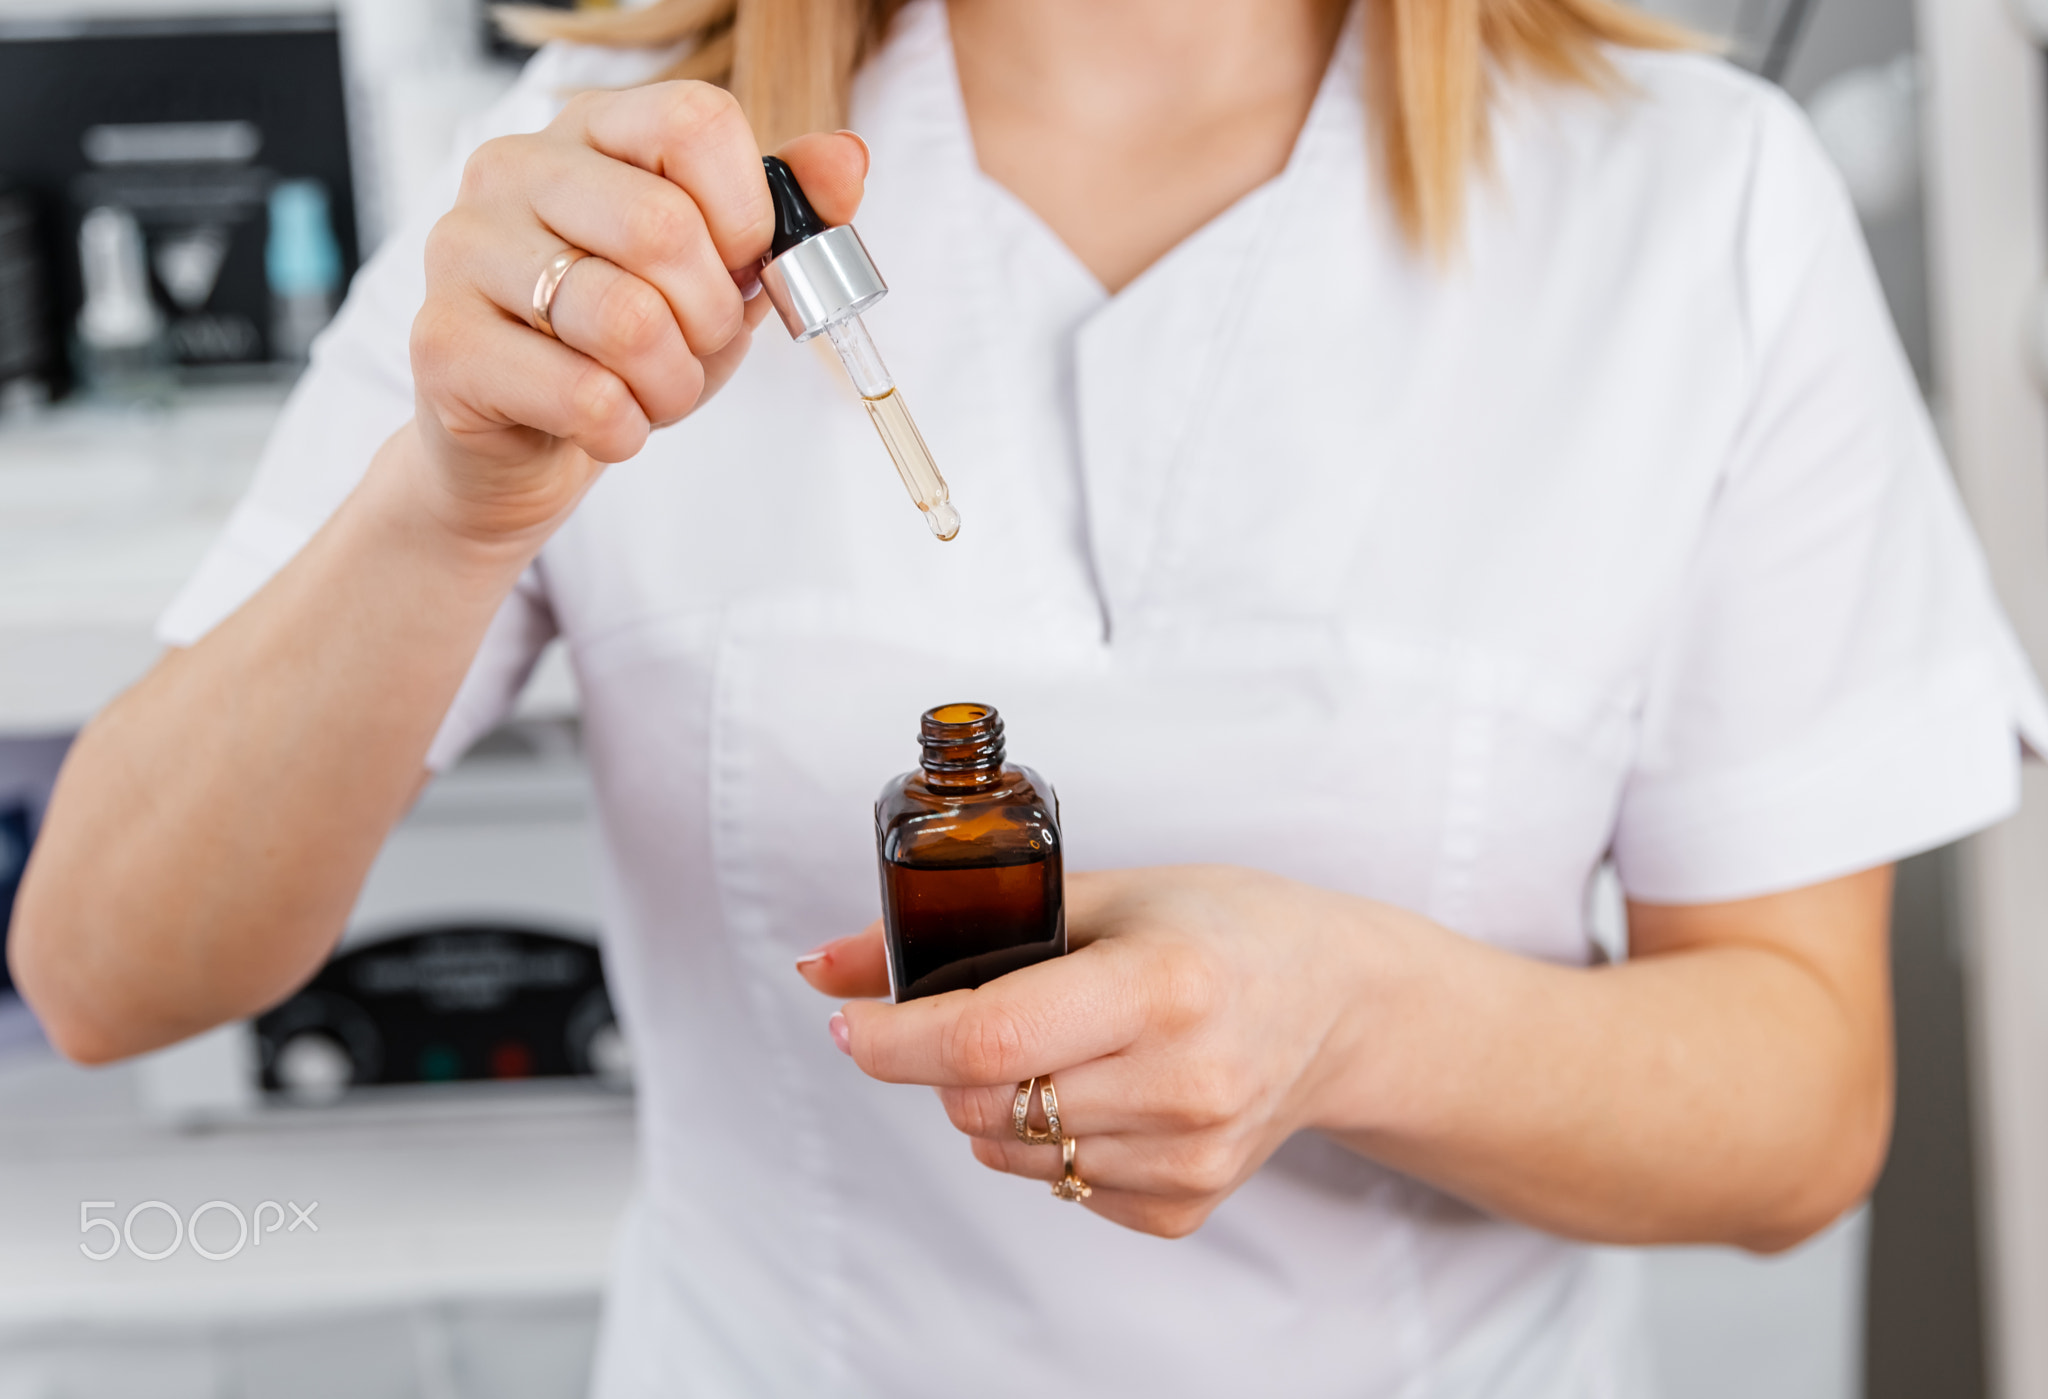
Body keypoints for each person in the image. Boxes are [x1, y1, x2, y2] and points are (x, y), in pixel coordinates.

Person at [13, 0, 2046, 1391]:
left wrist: (1356, 1016)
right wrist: (449, 506)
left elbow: (1799, 1112)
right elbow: (103, 964)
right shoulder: (606, 194)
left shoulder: (1690, 201)